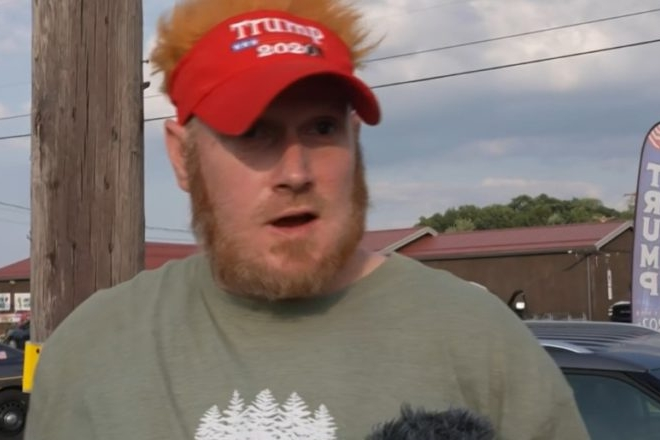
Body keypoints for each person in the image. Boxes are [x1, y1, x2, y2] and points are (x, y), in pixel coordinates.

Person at [25, 1, 589, 439]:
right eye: (253, 132)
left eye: (322, 128)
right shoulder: (96, 350)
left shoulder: (481, 341)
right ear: (182, 157)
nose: (295, 172)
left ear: (355, 139)